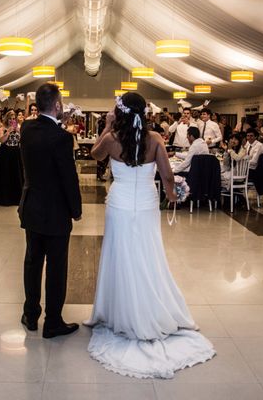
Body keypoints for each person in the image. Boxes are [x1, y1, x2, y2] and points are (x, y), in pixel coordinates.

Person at [85, 92, 215, 379]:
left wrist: (106, 127)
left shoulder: (111, 138)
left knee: (120, 254)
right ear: (144, 113)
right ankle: (149, 308)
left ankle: (118, 310)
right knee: (147, 254)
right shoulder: (155, 138)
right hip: (145, 202)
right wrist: (174, 194)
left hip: (119, 204)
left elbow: (95, 155)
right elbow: (167, 176)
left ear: (118, 113)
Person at [18, 83, 82, 339]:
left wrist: (58, 121)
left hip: (32, 205)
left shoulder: (26, 128)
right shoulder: (62, 137)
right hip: (55, 211)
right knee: (56, 267)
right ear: (57, 105)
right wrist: (76, 209)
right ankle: (53, 321)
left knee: (32, 262)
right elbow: (68, 178)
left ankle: (30, 314)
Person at [0, 110, 23, 206]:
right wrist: (8, 132)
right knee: (6, 176)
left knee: (16, 175)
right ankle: (5, 198)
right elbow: (1, 140)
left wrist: (18, 131)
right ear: (7, 120)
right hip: (5, 154)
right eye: (10, 119)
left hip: (16, 153)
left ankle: (17, 198)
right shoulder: (2, 128)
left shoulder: (18, 128)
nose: (12, 121)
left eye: (13, 119)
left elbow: (22, 140)